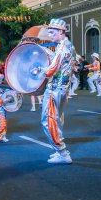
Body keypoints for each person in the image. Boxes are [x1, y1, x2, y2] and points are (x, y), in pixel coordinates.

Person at [39, 18, 74, 164]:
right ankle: (58, 151)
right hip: (61, 89)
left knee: (49, 121)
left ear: (61, 32)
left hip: (55, 90)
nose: (50, 36)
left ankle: (62, 152)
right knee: (57, 120)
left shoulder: (62, 48)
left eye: (52, 32)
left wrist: (40, 70)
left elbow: (51, 70)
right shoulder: (68, 46)